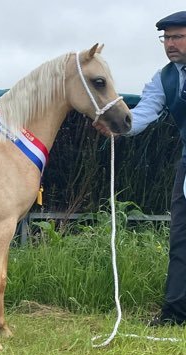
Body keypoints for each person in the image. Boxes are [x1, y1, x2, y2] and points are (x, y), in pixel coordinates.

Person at [95, 11, 186, 326]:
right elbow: (144, 112)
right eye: (166, 38)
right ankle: (175, 314)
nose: (170, 44)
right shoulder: (165, 78)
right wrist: (119, 126)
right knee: (181, 240)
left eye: (177, 37)